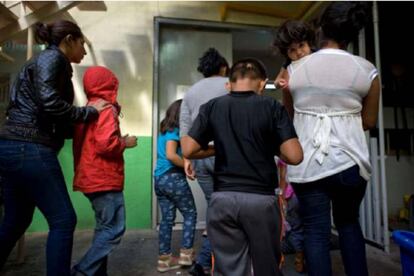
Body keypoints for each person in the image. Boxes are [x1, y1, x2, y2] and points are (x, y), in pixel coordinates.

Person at [0, 20, 108, 276]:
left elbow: (53, 115)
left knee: (16, 220)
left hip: (12, 147)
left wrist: (86, 126)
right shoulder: (53, 58)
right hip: (29, 148)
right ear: (69, 40)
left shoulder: (44, 61)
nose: (83, 50)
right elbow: (50, 102)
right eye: (81, 43)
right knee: (63, 220)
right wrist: (90, 113)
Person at [181, 58, 303, 276]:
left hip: (223, 200)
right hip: (261, 201)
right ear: (262, 84)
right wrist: (269, 145)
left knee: (228, 268)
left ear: (229, 84)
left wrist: (218, 147)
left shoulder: (212, 106)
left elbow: (189, 150)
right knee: (267, 267)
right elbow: (295, 156)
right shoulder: (273, 107)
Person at [284, 2, 380, 276]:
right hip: (351, 163)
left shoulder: (294, 70)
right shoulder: (368, 70)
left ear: (320, 28)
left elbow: (290, 118)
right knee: (349, 224)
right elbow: (369, 121)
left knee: (315, 231)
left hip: (308, 165)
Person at [70, 66, 137, 275]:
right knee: (114, 229)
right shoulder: (106, 109)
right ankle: (82, 272)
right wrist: (125, 142)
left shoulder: (88, 108)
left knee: (103, 229)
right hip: (104, 177)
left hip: (90, 177)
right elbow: (105, 145)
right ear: (110, 85)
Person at [179, 48, 229, 276]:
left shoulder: (191, 93)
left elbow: (185, 128)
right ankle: (212, 262)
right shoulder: (231, 85)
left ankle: (206, 261)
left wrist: (187, 158)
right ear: (223, 67)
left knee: (215, 206)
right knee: (227, 209)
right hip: (226, 155)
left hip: (200, 156)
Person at [153, 99, 201, 273]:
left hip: (159, 179)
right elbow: (171, 155)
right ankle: (186, 256)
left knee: (167, 219)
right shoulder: (175, 131)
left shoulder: (164, 131)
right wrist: (187, 167)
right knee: (190, 213)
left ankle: (164, 260)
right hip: (173, 178)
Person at [273, 19, 315, 117]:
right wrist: (280, 83)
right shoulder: (288, 64)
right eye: (292, 50)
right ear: (286, 54)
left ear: (309, 43)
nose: (299, 52)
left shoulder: (317, 55)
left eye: (301, 45)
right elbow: (276, 82)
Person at [277, 158, 305, 273]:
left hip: (292, 196)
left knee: (294, 228)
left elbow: (283, 178)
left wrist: (281, 198)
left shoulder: (286, 155)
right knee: (308, 228)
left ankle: (299, 258)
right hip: (308, 194)